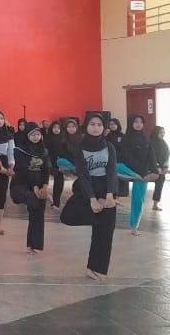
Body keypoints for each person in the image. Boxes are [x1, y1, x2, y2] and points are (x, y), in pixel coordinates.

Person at [59, 114, 118, 282]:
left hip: (106, 190)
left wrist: (109, 196)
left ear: (103, 128)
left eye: (99, 124)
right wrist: (92, 199)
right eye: (92, 124)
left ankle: (96, 269)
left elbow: (112, 172)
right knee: (67, 216)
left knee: (105, 232)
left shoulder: (109, 147)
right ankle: (95, 217)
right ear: (87, 126)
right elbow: (83, 175)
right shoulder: (80, 147)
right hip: (87, 189)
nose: (96, 127)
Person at [10, 122, 50, 255]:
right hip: (21, 184)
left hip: (38, 184)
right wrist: (35, 188)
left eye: (38, 134)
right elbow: (25, 169)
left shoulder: (43, 151)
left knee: (38, 213)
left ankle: (34, 245)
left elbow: (45, 170)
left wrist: (44, 186)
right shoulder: (19, 150)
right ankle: (31, 245)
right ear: (27, 135)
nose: (35, 137)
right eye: (32, 134)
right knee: (32, 199)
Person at [120, 115, 160, 235]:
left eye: (141, 122)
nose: (138, 124)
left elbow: (151, 156)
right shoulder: (126, 138)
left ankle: (134, 227)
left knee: (138, 200)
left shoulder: (146, 138)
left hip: (143, 174)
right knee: (116, 167)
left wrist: (154, 170)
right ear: (131, 123)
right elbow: (127, 157)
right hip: (130, 170)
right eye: (136, 122)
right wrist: (140, 172)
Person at [46, 121, 70, 210]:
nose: (56, 129)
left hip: (60, 163)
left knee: (59, 183)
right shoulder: (48, 139)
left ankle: (56, 202)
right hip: (51, 163)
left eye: (58, 128)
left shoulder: (63, 139)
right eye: (54, 128)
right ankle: (50, 200)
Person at [107, 117, 129, 199]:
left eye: (114, 124)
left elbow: (125, 148)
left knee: (121, 180)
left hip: (120, 161)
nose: (112, 126)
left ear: (118, 125)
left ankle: (118, 197)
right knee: (111, 180)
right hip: (109, 161)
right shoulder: (107, 136)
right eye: (110, 124)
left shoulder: (123, 136)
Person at [152, 126, 168, 212]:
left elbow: (166, 158)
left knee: (161, 179)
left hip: (161, 168)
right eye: (161, 132)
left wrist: (165, 167)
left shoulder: (164, 143)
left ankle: (155, 204)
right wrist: (157, 167)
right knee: (160, 178)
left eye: (163, 132)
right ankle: (155, 204)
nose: (162, 134)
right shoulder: (152, 143)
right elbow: (152, 157)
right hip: (152, 167)